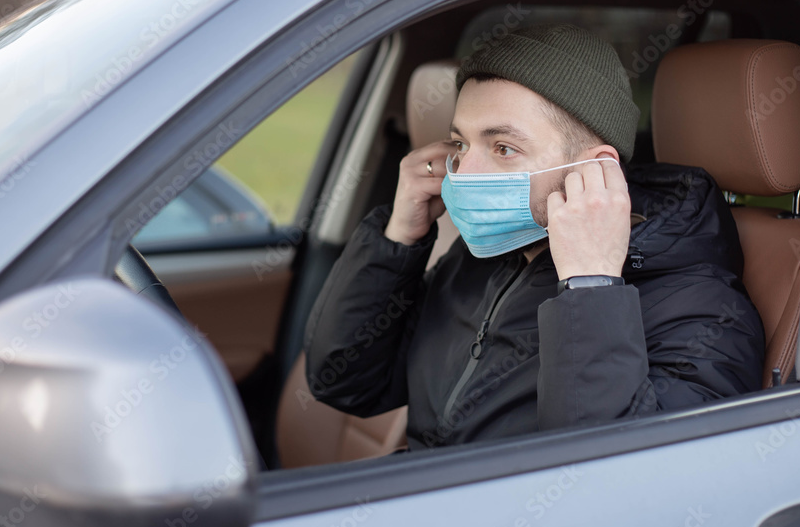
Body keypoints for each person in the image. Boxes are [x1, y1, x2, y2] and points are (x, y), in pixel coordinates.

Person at [304, 24, 765, 450]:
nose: (463, 173)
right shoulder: (488, 256)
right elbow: (344, 381)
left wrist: (591, 287)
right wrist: (399, 236)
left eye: (503, 148)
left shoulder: (702, 311)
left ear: (593, 169)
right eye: (461, 144)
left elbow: (610, 486)